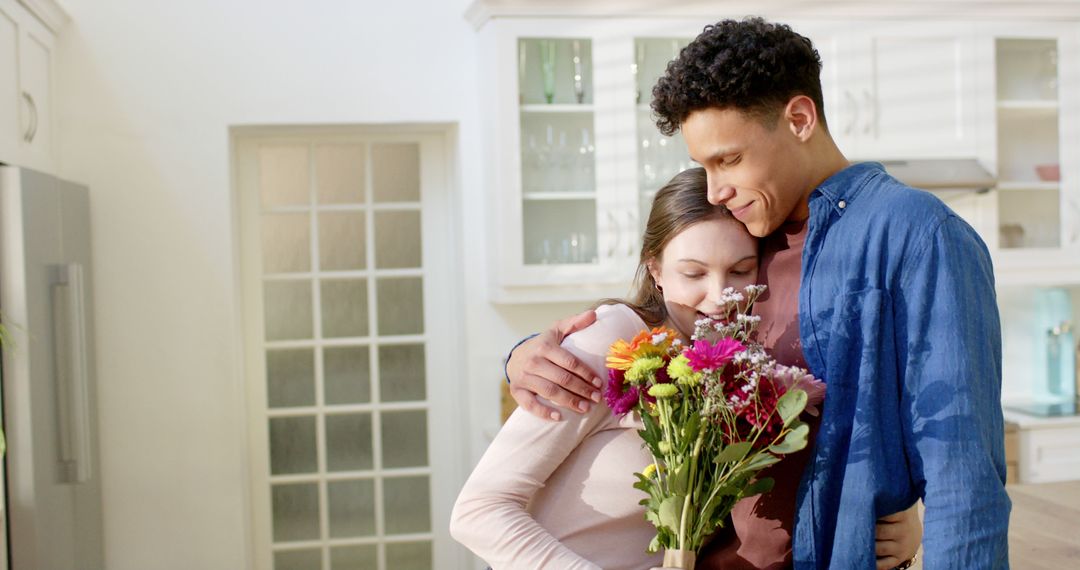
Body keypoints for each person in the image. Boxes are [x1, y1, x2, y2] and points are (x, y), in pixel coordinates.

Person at [505, 17, 1009, 569]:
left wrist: (888, 496)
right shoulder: (747, 238)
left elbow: (962, 469)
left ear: (798, 118)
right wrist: (524, 354)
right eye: (704, 165)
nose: (716, 189)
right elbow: (660, 321)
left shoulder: (917, 234)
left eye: (729, 159)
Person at [451, 169, 920, 570]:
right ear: (655, 270)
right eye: (693, 274)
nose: (718, 298)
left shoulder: (740, 367)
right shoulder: (608, 341)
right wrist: (515, 356)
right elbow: (478, 511)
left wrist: (899, 517)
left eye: (740, 271)